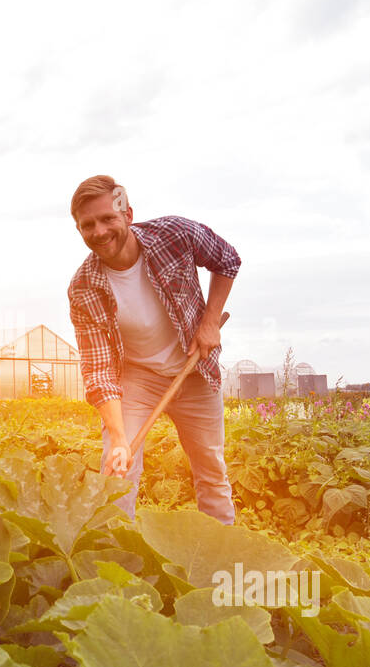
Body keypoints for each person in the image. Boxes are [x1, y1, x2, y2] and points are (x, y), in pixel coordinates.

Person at [67, 175, 240, 524]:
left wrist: (208, 323)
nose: (99, 231)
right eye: (88, 225)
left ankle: (223, 554)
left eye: (107, 219)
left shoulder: (174, 236)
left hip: (194, 371)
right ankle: (116, 559)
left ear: (128, 214)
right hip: (137, 379)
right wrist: (118, 437)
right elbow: (99, 370)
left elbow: (227, 259)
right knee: (118, 468)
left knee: (211, 469)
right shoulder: (83, 288)